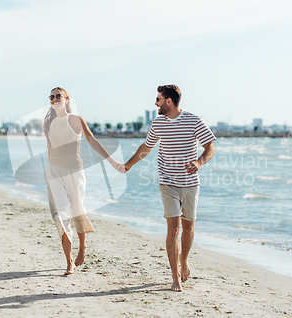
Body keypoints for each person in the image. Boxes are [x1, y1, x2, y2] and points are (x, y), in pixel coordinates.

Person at [124, 85, 216, 291]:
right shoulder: (158, 123)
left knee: (188, 227)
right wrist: (129, 164)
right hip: (168, 183)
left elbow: (210, 147)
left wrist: (199, 163)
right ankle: (174, 276)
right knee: (173, 228)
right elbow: (146, 148)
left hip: (190, 184)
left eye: (158, 99)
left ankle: (184, 260)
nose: (155, 103)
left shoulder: (194, 120)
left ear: (168, 101)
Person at [43, 87, 125, 275]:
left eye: (58, 96)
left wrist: (113, 162)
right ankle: (69, 261)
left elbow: (93, 141)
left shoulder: (76, 120)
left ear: (66, 99)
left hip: (74, 170)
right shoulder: (48, 123)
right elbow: (50, 149)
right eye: (52, 96)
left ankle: (82, 247)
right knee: (60, 216)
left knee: (77, 210)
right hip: (53, 172)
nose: (55, 99)